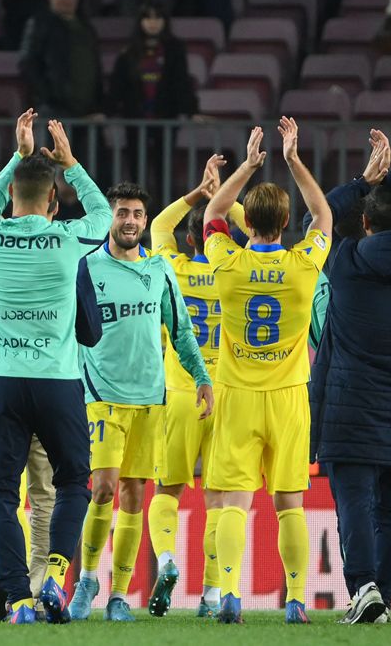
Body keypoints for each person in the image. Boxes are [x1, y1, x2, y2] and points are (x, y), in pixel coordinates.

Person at [0, 110, 111, 624]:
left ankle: (19, 599)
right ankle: (53, 574)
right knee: (75, 481)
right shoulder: (68, 239)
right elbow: (103, 215)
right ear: (53, 201)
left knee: (1, 495)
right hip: (56, 381)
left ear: (12, 198)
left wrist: (16, 153)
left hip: (0, 383)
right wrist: (70, 164)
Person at [309, 129, 391, 624]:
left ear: (363, 222)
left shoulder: (344, 260)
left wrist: (362, 181)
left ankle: (363, 589)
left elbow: (317, 218)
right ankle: (384, 593)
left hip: (349, 409)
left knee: (355, 506)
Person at [202, 120, 333, 625]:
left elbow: (213, 211)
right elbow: (322, 213)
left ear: (247, 222)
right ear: (285, 223)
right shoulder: (304, 266)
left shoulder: (227, 264)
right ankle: (296, 600)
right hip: (288, 397)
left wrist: (249, 165)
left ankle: (230, 595)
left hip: (237, 394)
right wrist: (294, 159)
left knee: (234, 501)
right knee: (289, 504)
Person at [67, 182, 213, 622]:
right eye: (122, 213)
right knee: (104, 488)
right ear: (109, 218)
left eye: (136, 214)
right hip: (101, 396)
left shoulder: (160, 271)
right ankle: (86, 579)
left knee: (133, 495)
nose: (129, 220)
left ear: (145, 222)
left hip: (152, 398)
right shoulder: (86, 268)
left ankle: (118, 594)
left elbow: (182, 331)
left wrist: (202, 377)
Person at [147, 154, 249, 619]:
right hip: (224, 396)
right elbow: (256, 231)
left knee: (166, 491)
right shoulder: (236, 269)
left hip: (178, 393)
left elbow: (157, 230)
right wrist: (226, 203)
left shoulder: (173, 269)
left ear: (190, 240)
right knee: (218, 499)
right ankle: (212, 593)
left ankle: (167, 560)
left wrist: (198, 193)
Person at [19, 0, 103, 121]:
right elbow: (27, 64)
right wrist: (48, 98)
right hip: (54, 112)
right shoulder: (39, 24)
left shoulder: (86, 27)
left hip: (87, 113)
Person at [108, 0, 198, 121]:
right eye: (148, 18)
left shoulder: (175, 50)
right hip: (135, 120)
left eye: (157, 18)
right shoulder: (128, 52)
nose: (153, 23)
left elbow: (182, 82)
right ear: (140, 21)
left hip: (166, 119)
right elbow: (117, 85)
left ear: (164, 21)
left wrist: (193, 112)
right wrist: (105, 111)